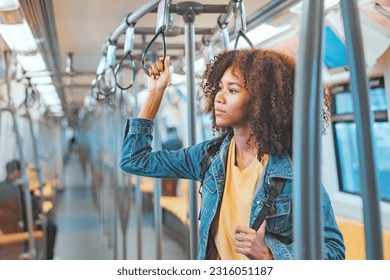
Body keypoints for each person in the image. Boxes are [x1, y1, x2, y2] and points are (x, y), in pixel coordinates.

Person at [120, 49, 345, 260]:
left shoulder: (294, 174)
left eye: (233, 90)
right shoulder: (209, 157)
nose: (219, 97)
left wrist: (270, 255)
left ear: (260, 102)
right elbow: (134, 160)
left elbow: (333, 251)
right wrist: (155, 93)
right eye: (219, 88)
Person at [1, 160, 57, 260]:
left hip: (5, 228)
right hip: (22, 227)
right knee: (50, 226)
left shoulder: (2, 187)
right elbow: (33, 211)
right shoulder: (19, 189)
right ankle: (48, 258)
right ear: (18, 172)